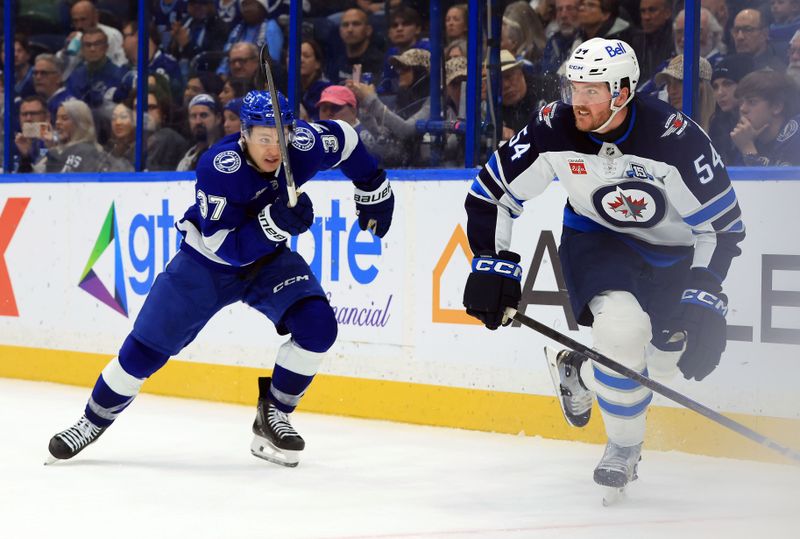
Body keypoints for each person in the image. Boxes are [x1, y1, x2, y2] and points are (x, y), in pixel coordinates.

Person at [46, 89, 395, 467]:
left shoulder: (304, 145)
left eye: (281, 137)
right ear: (244, 133)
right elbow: (228, 248)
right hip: (206, 266)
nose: (274, 148)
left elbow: (345, 138)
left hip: (268, 263)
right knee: (144, 350)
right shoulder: (219, 167)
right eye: (263, 138)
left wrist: (373, 183)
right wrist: (276, 224)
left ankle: (274, 413)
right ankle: (91, 421)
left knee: (319, 327)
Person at [462, 38, 744, 496]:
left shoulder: (675, 138)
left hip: (676, 253)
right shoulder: (553, 128)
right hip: (598, 242)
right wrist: (491, 263)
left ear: (623, 91)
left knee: (662, 363)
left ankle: (582, 368)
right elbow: (491, 193)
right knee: (621, 330)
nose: (579, 101)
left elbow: (723, 228)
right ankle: (623, 448)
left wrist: (705, 294)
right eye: (575, 88)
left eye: (592, 91)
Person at [731, 69, 800, 166]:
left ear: (777, 107)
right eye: (740, 102)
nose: (742, 109)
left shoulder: (796, 136)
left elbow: (777, 180)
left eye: (752, 102)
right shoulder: (745, 137)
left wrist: (748, 149)